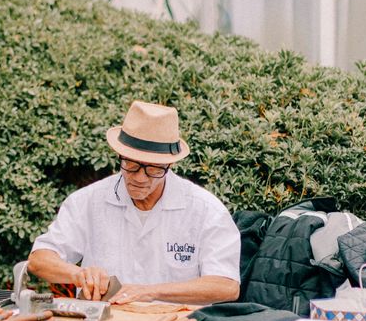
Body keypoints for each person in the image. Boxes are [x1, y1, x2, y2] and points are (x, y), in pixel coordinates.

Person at [27, 99, 241, 304]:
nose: (140, 178)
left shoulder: (206, 210)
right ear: (120, 155)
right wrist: (80, 274)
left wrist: (150, 292)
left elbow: (226, 286)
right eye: (131, 165)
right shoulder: (87, 201)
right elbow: (39, 260)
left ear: (169, 165)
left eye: (153, 169)